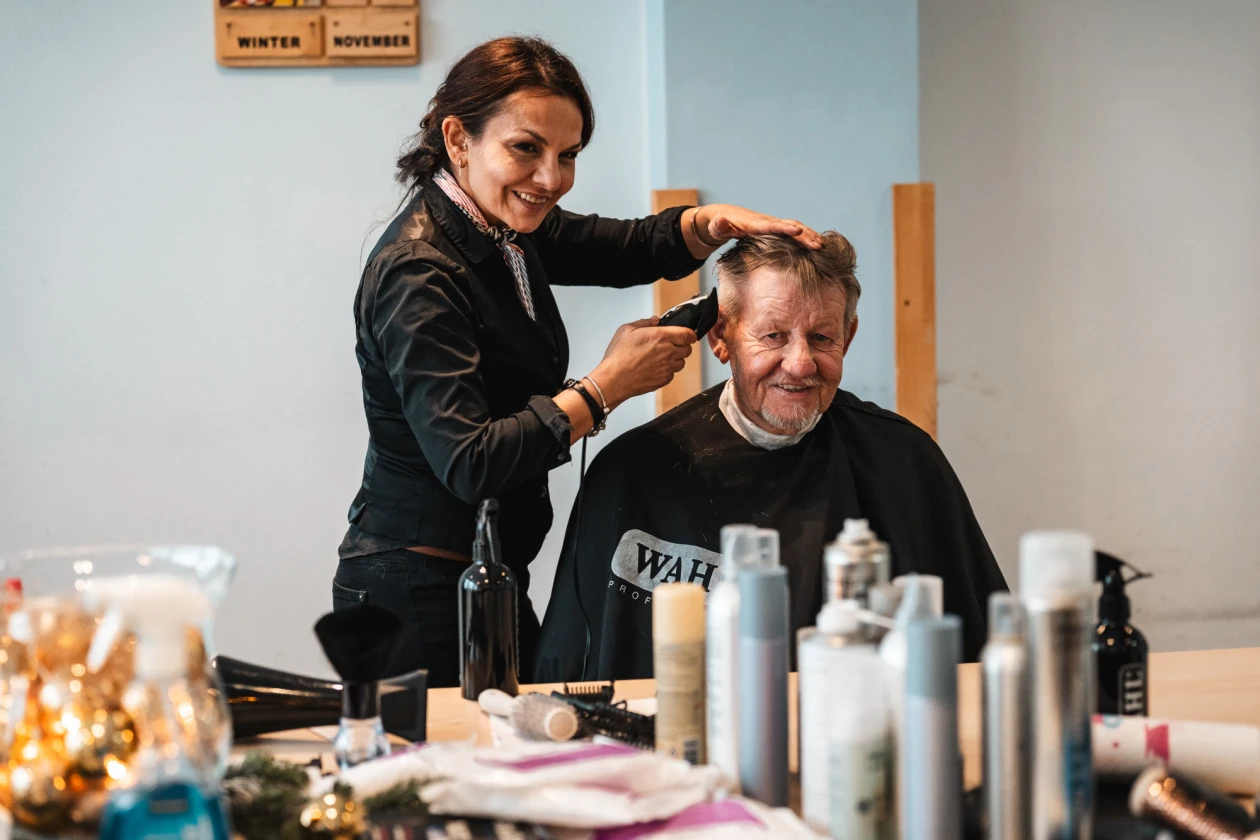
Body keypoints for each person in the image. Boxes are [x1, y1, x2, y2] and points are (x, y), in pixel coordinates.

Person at [333, 36, 820, 687]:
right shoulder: (420, 271)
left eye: (568, 156)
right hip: (418, 592)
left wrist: (704, 225)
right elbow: (467, 461)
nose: (550, 180)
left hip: (486, 572)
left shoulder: (500, 225)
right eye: (526, 149)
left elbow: (614, 246)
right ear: (458, 139)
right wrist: (604, 389)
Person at [534, 232, 1008, 681]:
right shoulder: (633, 471)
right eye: (774, 336)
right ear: (721, 337)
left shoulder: (905, 463)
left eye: (822, 338)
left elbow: (978, 655)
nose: (800, 363)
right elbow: (569, 672)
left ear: (849, 336)